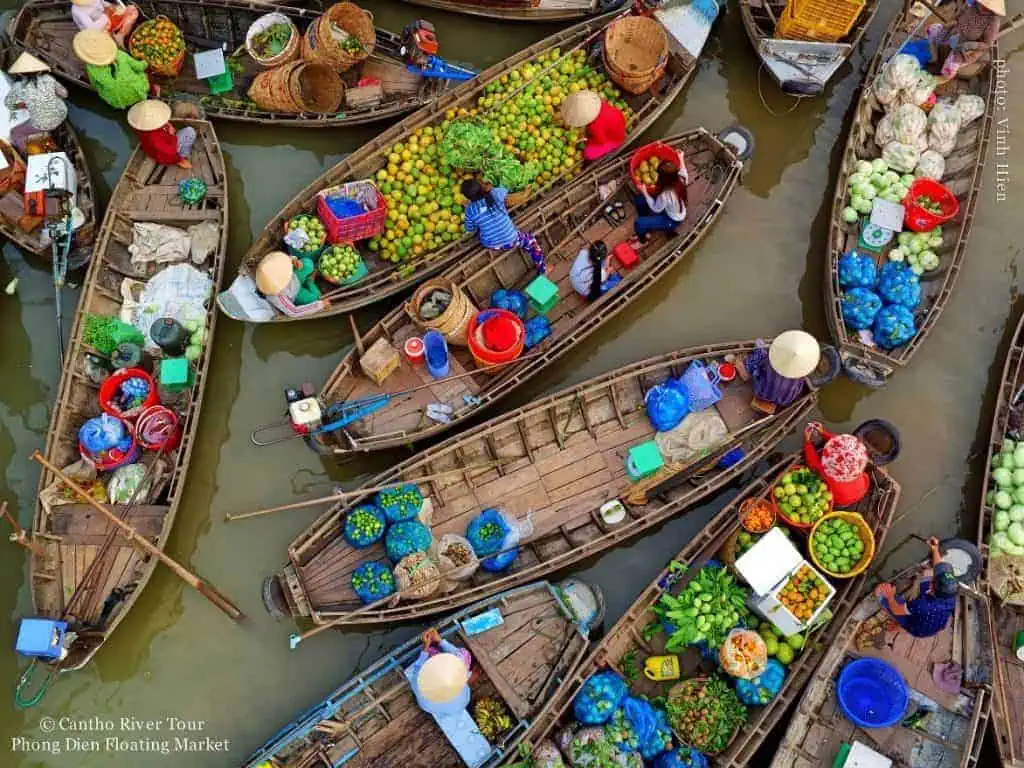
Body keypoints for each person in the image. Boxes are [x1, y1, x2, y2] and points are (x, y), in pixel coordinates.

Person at [875, 537, 958, 638]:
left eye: (933, 580)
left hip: (919, 629)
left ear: (932, 587)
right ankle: (904, 622)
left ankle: (901, 625)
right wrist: (935, 549)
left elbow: (896, 609)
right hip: (935, 621)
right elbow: (939, 567)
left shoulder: (921, 605)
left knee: (880, 591)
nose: (933, 577)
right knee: (928, 572)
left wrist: (890, 596)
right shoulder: (950, 592)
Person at [461, 179, 546, 274]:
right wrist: (490, 188)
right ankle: (542, 270)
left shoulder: (469, 210)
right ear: (482, 187)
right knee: (532, 243)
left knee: (480, 229)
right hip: (511, 238)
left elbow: (470, 229)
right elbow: (506, 187)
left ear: (467, 197)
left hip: (491, 245)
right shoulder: (496, 193)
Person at [4, 53, 69, 152]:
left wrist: (22, 105)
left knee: (15, 133)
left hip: (42, 124)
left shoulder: (18, 87)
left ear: (20, 74)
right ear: (39, 72)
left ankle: (28, 153)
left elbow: (9, 105)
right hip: (62, 114)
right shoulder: (48, 78)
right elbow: (65, 94)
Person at [927, 0, 1004, 82]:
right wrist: (948, 26)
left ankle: (942, 78)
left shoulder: (993, 21)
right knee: (933, 29)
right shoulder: (971, 5)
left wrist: (968, 45)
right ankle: (934, 58)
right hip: (955, 32)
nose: (983, 7)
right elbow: (956, 18)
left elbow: (987, 44)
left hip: (970, 44)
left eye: (988, 7)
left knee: (952, 63)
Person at [73, 29, 149, 110]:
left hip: (118, 101)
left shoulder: (91, 68)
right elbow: (139, 67)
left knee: (105, 87)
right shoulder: (121, 55)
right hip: (139, 91)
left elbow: (95, 85)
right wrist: (145, 62)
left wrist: (101, 90)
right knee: (138, 72)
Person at [745, 330, 820, 409]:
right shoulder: (803, 369)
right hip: (785, 400)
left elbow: (751, 367)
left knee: (758, 345)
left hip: (762, 393)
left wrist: (759, 349)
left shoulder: (771, 360)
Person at [407, 629, 473, 717]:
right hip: (458, 703)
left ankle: (431, 650)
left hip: (430, 706)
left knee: (430, 653)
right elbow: (461, 655)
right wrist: (440, 641)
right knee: (464, 655)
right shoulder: (457, 674)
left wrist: (426, 646)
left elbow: (417, 668)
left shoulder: (419, 684)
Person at [561, 90, 626, 162]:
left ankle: (614, 145)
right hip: (620, 121)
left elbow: (601, 140)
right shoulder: (602, 104)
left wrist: (587, 140)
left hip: (616, 138)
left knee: (588, 154)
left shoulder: (594, 126)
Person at [126, 99, 194, 169]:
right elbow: (172, 151)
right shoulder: (154, 139)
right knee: (190, 131)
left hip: (152, 149)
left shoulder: (139, 127)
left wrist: (165, 127)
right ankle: (182, 155)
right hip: (165, 156)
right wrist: (172, 135)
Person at [633, 159, 688, 242]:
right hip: (671, 209)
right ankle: (647, 224)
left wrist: (644, 192)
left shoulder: (665, 195)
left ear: (663, 179)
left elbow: (656, 209)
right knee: (639, 200)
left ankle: (643, 240)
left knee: (639, 223)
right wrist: (681, 157)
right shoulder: (682, 178)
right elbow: (683, 169)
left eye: (659, 175)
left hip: (672, 220)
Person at [70, 0, 139, 46]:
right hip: (98, 29)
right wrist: (106, 16)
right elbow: (92, 28)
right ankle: (115, 38)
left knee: (132, 10)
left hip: (107, 18)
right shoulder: (77, 10)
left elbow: (102, 2)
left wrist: (111, 6)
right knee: (106, 43)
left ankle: (121, 36)